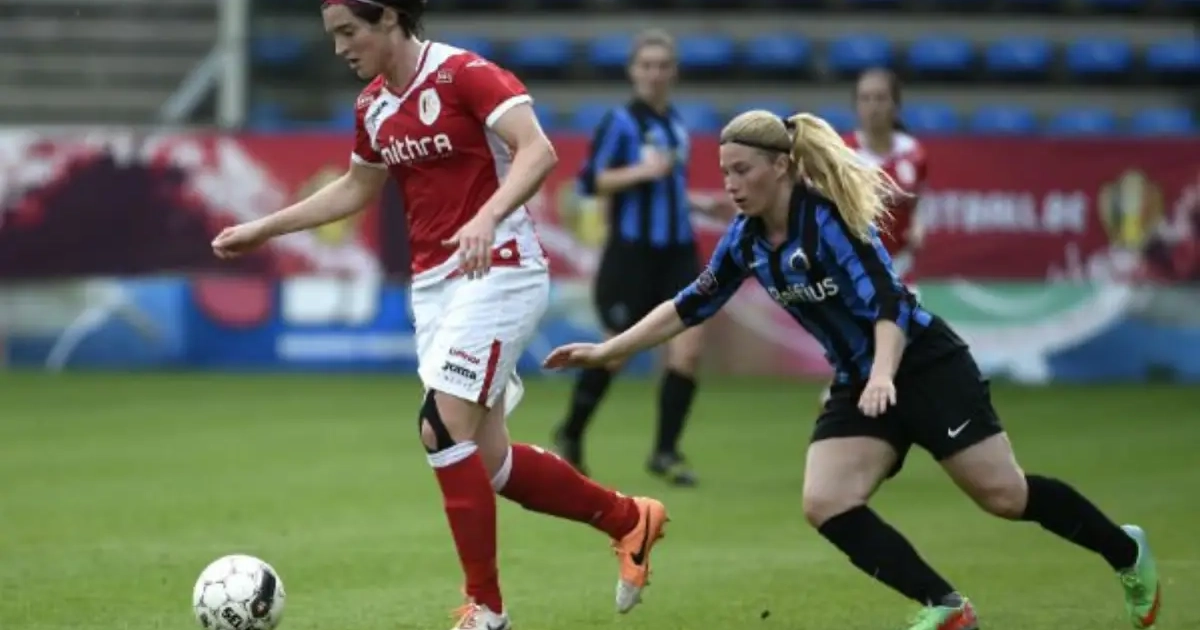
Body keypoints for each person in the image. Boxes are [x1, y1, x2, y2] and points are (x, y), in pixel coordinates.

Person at [544, 109, 1161, 630]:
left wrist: (884, 374)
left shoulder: (828, 219)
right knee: (826, 501)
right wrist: (608, 350)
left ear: (780, 166)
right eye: (725, 171)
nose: (730, 184)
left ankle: (1125, 550)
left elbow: (890, 303)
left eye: (742, 170)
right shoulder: (746, 238)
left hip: (921, 363)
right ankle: (947, 607)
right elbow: (690, 305)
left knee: (1004, 496)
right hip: (860, 379)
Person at [210, 2, 668, 629]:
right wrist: (264, 229)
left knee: (440, 427)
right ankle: (628, 518)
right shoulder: (373, 106)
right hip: (434, 289)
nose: (341, 48)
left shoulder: (464, 74)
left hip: (500, 266)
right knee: (489, 461)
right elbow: (357, 186)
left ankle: (487, 610)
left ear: (389, 18)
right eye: (334, 36)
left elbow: (537, 152)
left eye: (349, 31)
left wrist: (488, 215)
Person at [553, 28, 730, 486]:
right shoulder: (620, 122)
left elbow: (665, 188)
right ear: (633, 71)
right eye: (647, 65)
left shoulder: (675, 124)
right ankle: (571, 431)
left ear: (674, 72)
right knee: (615, 352)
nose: (654, 74)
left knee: (688, 348)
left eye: (662, 66)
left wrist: (698, 204)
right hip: (632, 255)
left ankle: (666, 451)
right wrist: (641, 171)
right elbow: (590, 181)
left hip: (678, 251)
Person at [820, 67, 928, 407]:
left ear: (896, 105)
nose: (873, 106)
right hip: (859, 271)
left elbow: (918, 199)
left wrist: (919, 224)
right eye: (865, 99)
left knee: (898, 355)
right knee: (864, 362)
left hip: (902, 268)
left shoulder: (914, 152)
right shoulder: (843, 155)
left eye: (881, 98)